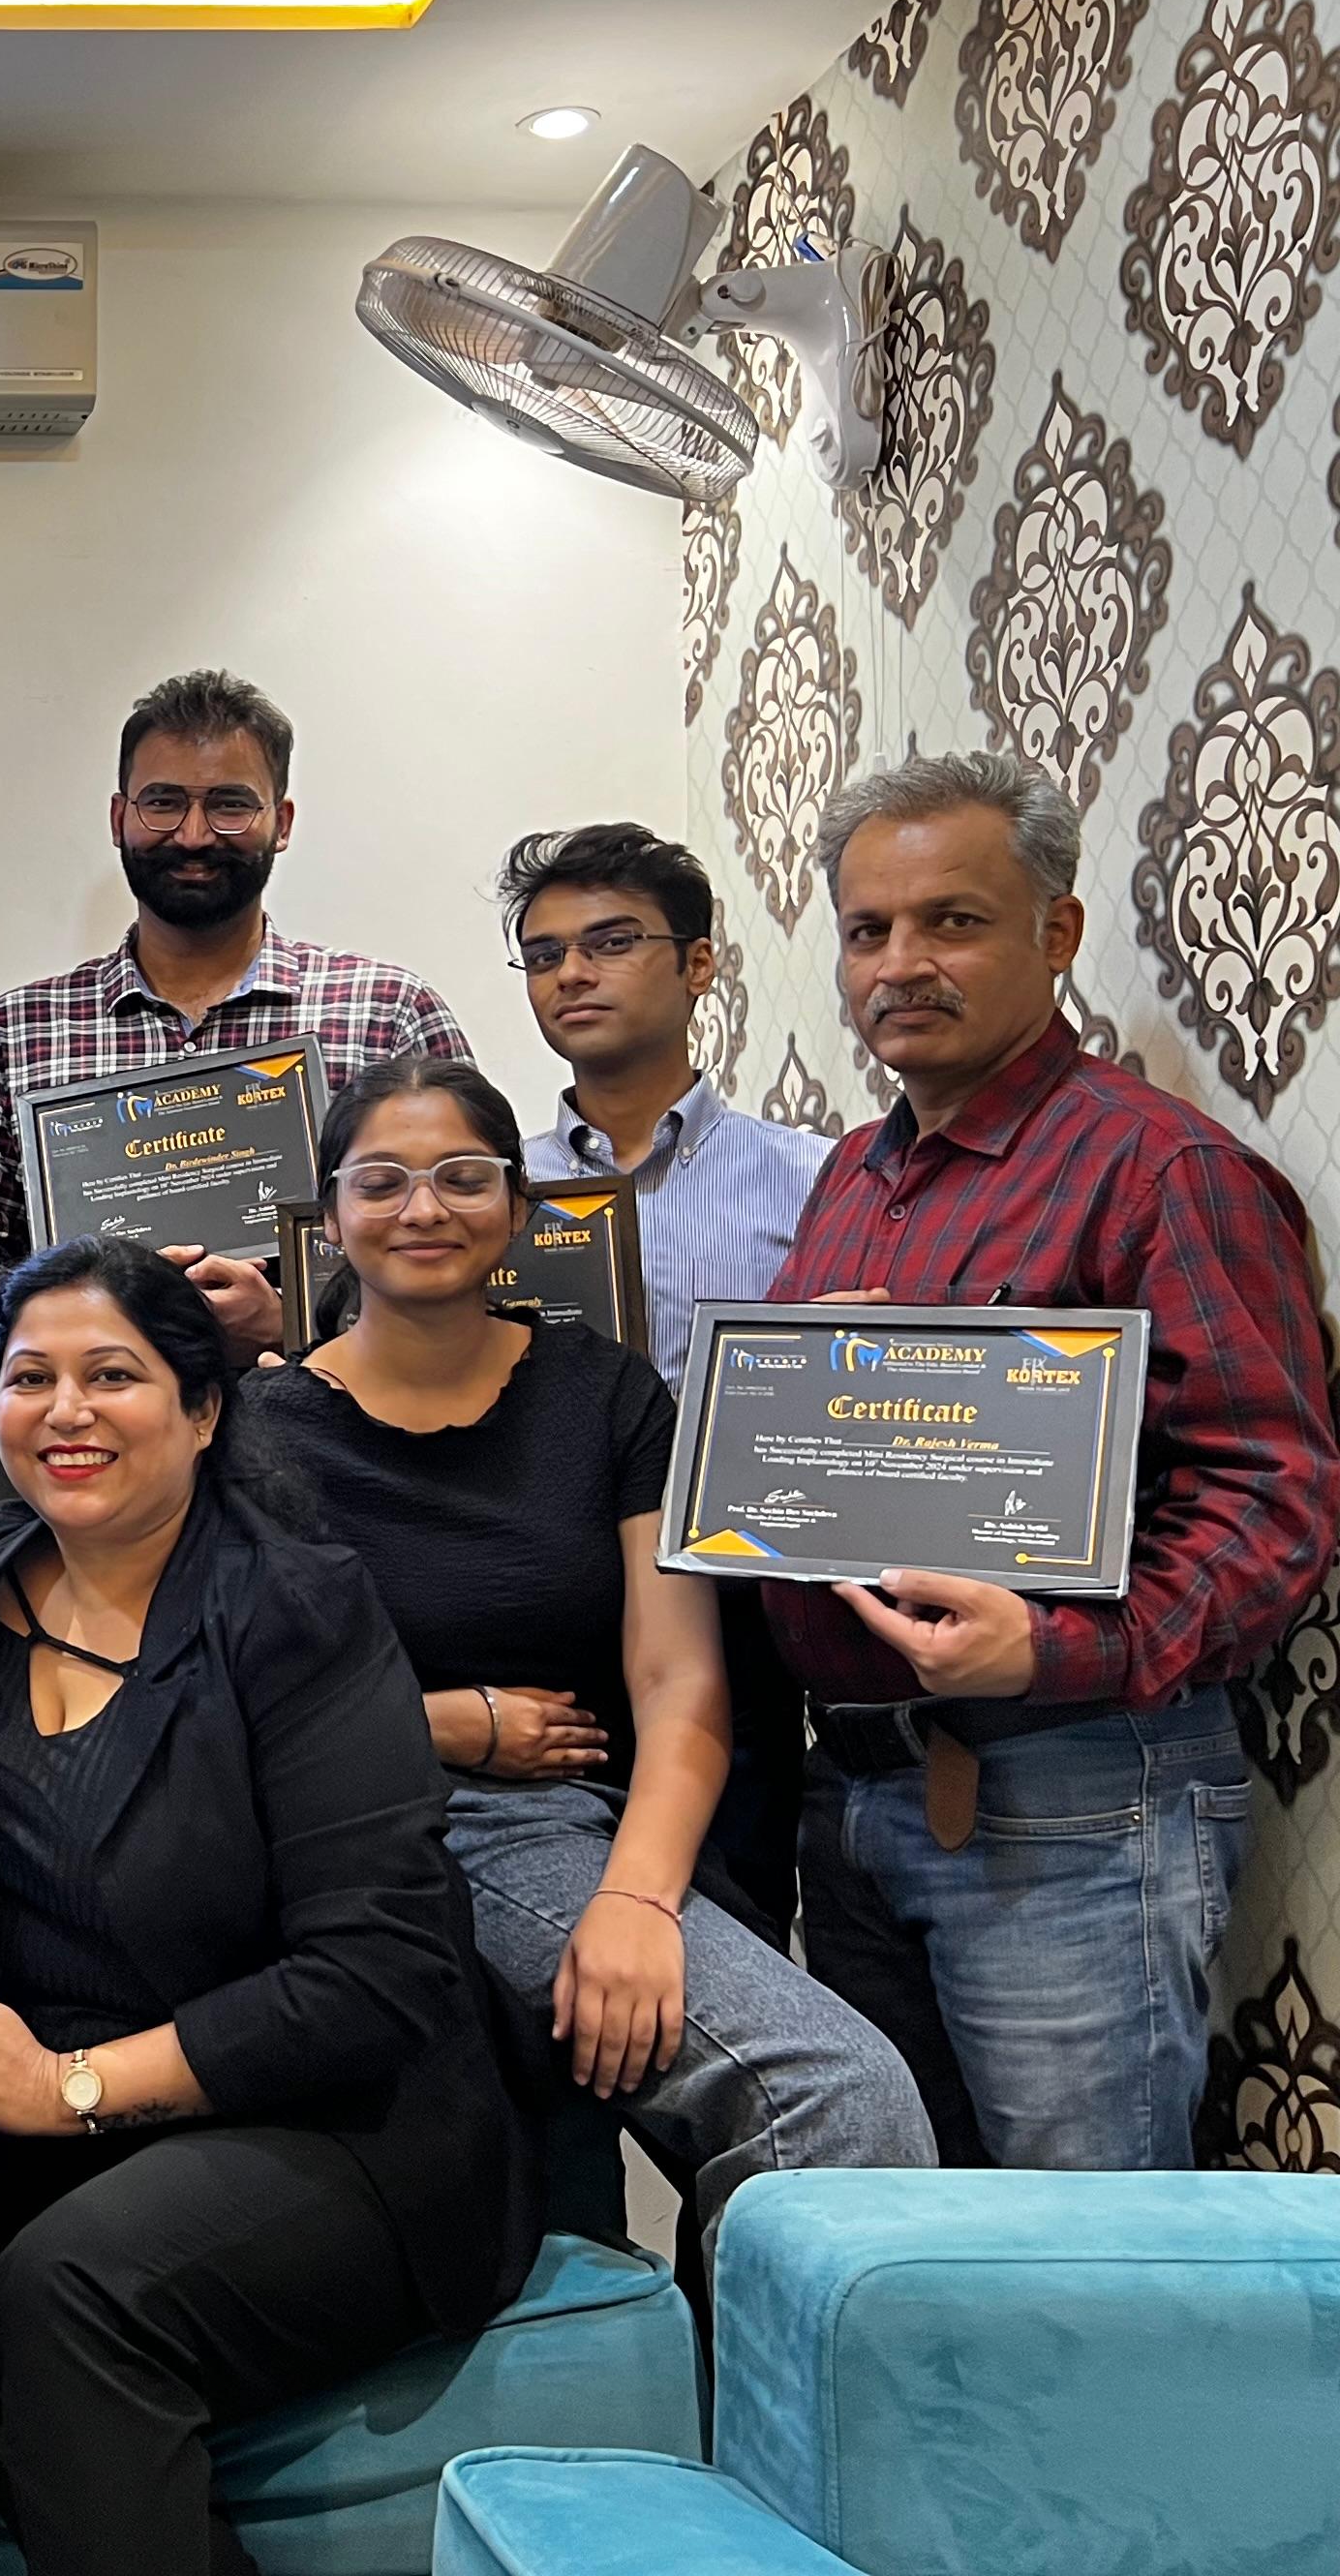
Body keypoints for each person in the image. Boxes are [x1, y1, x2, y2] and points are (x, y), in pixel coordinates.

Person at [0, 1240, 535, 2576]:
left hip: (332, 2117)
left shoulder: (297, 1609)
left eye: (112, 1376)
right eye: (30, 1378)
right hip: (45, 2115)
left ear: (205, 1409)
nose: (66, 1411)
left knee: (76, 2289)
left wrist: (66, 2089)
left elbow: (377, 1975)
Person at [234, 1056, 931, 2247]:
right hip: (391, 1831)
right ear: (330, 1218)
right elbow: (224, 1703)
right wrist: (442, 1723)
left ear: (518, 1209)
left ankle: (752, 2366)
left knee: (829, 2101)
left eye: (463, 1178)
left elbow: (679, 1682)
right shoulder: (255, 1434)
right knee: (833, 2095)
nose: (423, 1208)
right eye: (382, 1181)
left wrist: (636, 1901)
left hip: (599, 1824)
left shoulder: (604, 1393)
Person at [767, 752, 1337, 2170]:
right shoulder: (851, 1174)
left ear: (1058, 932)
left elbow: (1274, 1493)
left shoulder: (1162, 1172)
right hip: (853, 1792)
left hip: (1072, 1793)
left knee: (1079, 2248)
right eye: (868, 930)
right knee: (907, 2237)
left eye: (952, 921)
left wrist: (1059, 1647)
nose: (901, 964)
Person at [501, 820, 836, 1936]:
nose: (572, 974)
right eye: (544, 954)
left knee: (734, 1922)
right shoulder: (481, 1196)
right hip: (535, 1599)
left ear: (698, 965)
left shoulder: (814, 1182)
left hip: (739, 1609)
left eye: (610, 942)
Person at [0, 669, 470, 1351]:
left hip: (343, 1415)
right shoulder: (17, 1033)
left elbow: (479, 1253)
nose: (192, 835)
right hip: (91, 1413)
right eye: (162, 802)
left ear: (281, 823)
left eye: (229, 805)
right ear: (119, 819)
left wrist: (298, 1324)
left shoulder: (389, 1015)